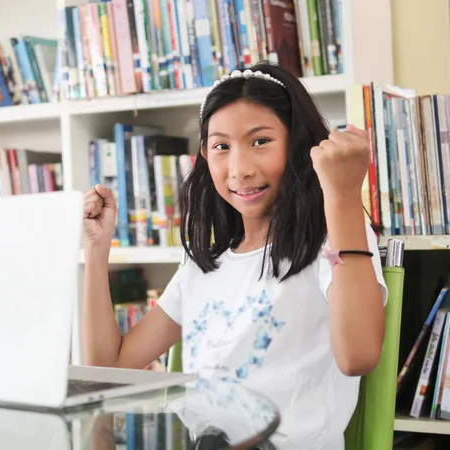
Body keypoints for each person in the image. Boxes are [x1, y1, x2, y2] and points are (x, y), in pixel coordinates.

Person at [81, 62, 387, 450]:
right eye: (222, 146)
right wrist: (96, 250)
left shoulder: (332, 242)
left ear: (298, 145)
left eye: (260, 141)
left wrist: (341, 196)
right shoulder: (204, 264)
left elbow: (358, 355)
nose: (240, 170)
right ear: (206, 157)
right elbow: (110, 371)